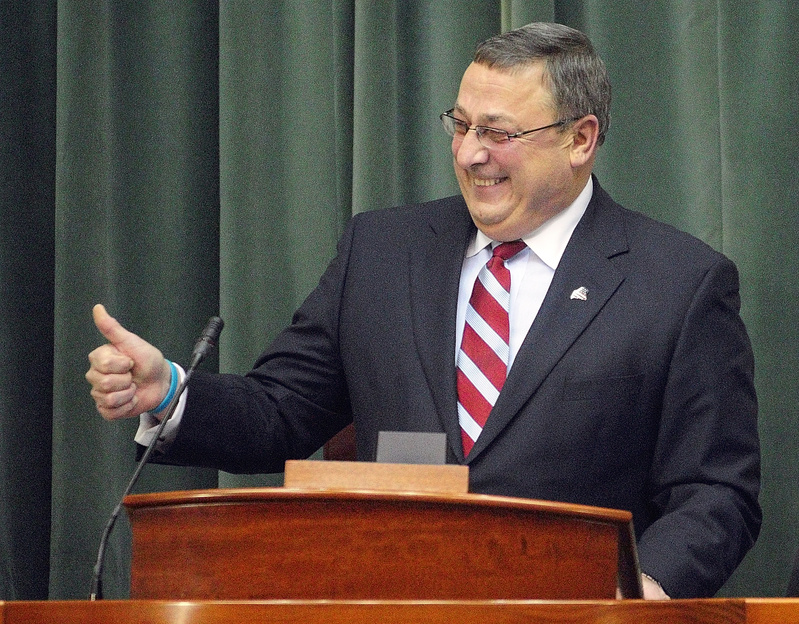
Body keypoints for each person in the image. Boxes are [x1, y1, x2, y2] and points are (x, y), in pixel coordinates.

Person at [86, 22, 760, 600]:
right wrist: (170, 392)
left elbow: (714, 492)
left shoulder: (677, 284)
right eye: (460, 125)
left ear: (580, 139)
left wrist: (639, 594)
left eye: (497, 133)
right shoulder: (381, 252)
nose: (469, 154)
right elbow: (280, 414)